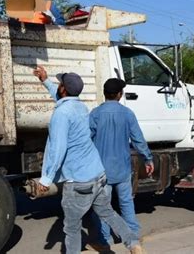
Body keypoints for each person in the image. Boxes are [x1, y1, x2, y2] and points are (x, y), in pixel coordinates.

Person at [33, 66, 143, 254]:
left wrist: (46, 179)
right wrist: (45, 81)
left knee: (72, 228)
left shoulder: (61, 114)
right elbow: (62, 100)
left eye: (59, 84)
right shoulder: (80, 107)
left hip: (78, 180)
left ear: (63, 89)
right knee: (108, 213)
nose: (58, 86)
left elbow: (57, 149)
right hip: (97, 174)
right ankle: (133, 244)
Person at [90, 78, 154, 250]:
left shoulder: (95, 114)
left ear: (105, 94)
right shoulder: (127, 114)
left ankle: (105, 242)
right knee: (126, 202)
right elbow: (138, 140)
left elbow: (86, 141)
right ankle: (133, 239)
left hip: (101, 171)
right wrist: (147, 159)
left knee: (104, 207)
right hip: (123, 169)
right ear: (120, 94)